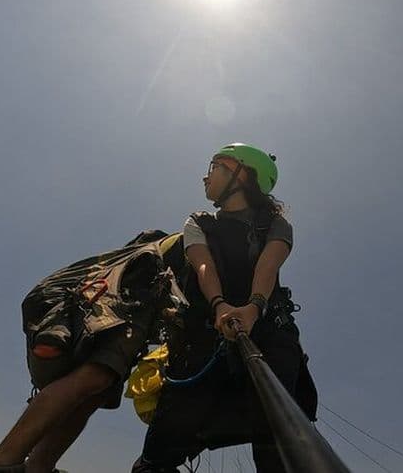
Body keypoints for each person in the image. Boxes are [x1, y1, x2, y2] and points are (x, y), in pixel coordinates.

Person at [132, 143, 313, 473]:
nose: (205, 176)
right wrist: (219, 306)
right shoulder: (198, 222)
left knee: (276, 443)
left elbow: (267, 268)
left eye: (213, 167)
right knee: (159, 453)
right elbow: (204, 267)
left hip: (269, 335)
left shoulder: (276, 225)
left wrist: (253, 309)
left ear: (241, 175)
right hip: (204, 337)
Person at [0, 233, 182, 473]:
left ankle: (38, 466)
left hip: (129, 310)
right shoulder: (192, 235)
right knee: (94, 378)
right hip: (127, 304)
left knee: (96, 392)